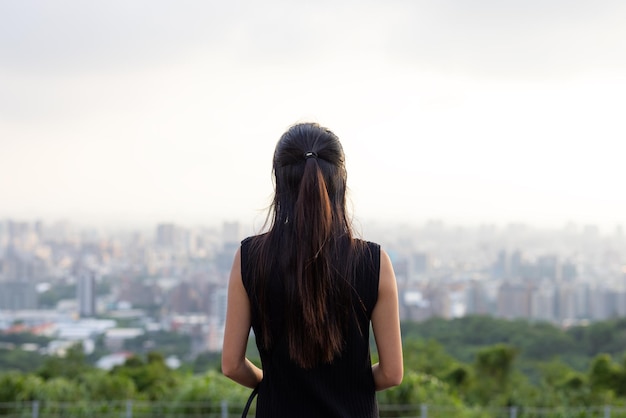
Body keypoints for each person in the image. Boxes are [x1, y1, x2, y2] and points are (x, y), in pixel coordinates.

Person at [222, 122, 403, 417]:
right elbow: (392, 373)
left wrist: (273, 384)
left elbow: (231, 364)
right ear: (340, 180)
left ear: (279, 181)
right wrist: (347, 387)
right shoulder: (374, 261)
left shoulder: (250, 258)